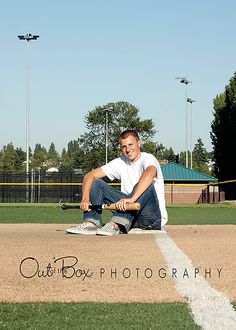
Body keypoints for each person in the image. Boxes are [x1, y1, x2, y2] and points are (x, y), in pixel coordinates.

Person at [66, 129, 168, 236]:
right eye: (124, 146)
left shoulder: (149, 158)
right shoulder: (120, 162)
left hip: (151, 218)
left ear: (139, 143)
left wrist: (131, 200)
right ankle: (91, 222)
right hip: (131, 217)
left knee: (146, 184)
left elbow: (150, 174)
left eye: (130, 144)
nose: (128, 149)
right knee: (96, 183)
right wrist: (85, 199)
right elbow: (90, 175)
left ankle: (114, 224)